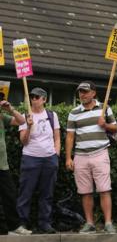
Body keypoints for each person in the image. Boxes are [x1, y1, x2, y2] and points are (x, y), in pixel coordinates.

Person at [65, 81, 117, 234]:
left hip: (100, 153)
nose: (82, 94)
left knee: (104, 189)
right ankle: (90, 223)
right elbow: (70, 136)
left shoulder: (105, 108)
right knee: (85, 192)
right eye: (80, 92)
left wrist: (105, 125)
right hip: (80, 156)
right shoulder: (74, 112)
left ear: (93, 93)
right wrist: (68, 158)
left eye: (85, 91)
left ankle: (108, 223)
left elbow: (115, 127)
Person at [17, 88, 60, 234]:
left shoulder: (52, 115)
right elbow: (23, 141)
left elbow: (57, 137)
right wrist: (28, 126)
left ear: (44, 99)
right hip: (30, 158)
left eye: (37, 97)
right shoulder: (24, 116)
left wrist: (56, 155)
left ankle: (44, 223)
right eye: (32, 97)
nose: (33, 99)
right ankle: (22, 223)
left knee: (47, 193)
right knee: (26, 192)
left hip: (49, 159)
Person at [0, 98, 32, 235]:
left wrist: (10, 109)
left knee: (10, 195)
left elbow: (21, 121)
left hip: (2, 164)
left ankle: (14, 226)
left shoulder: (1, 116)